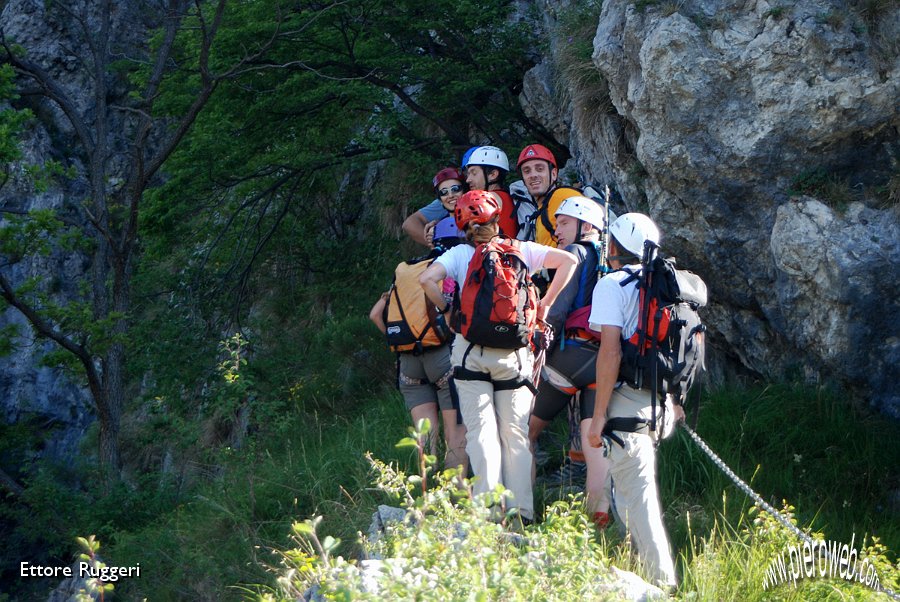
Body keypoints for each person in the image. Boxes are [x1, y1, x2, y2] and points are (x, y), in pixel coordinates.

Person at [419, 190, 577, 525]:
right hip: (515, 355)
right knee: (515, 435)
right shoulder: (521, 250)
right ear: (497, 219)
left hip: (470, 354)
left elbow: (426, 280)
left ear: (463, 225)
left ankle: (488, 512)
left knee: (481, 432)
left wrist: (448, 309)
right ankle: (521, 513)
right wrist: (546, 304)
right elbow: (569, 261)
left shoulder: (461, 254)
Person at [585, 212, 681, 589]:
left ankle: (664, 586)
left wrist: (597, 417)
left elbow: (609, 353)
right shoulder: (664, 286)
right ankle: (641, 579)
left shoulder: (613, 284)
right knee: (627, 494)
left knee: (639, 502)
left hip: (627, 406)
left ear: (615, 246)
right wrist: (675, 398)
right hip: (660, 403)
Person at [530, 196, 612, 529]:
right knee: (594, 442)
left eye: (564, 222)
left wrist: (539, 346)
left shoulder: (576, 254)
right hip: (601, 358)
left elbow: (560, 309)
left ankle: (521, 507)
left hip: (569, 354)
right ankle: (599, 519)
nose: (557, 230)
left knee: (525, 433)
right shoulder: (608, 257)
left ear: (586, 225)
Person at [369, 217, 468, 473]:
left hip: (408, 362)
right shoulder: (447, 266)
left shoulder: (406, 270)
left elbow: (375, 315)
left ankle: (428, 490)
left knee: (426, 440)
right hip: (442, 357)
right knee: (455, 433)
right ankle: (456, 498)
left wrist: (406, 339)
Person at [402, 167, 466, 247]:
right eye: (444, 192)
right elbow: (409, 224)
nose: (450, 195)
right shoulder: (438, 229)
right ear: (440, 199)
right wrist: (434, 244)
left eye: (455, 189)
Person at [463, 146, 518, 239]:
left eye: (474, 173)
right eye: (468, 174)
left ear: (493, 174)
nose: (468, 180)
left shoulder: (488, 199)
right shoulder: (508, 197)